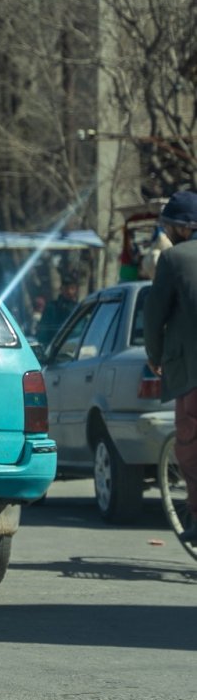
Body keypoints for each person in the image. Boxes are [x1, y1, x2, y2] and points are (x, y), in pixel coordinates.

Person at [144, 190, 197, 544]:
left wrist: (155, 355)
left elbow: (154, 313)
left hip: (192, 373)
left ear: (181, 228)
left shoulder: (175, 259)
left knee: (190, 446)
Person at [37, 280, 81, 346]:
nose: (69, 292)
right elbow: (43, 331)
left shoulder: (80, 308)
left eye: (72, 288)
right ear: (61, 289)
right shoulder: (51, 308)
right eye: (66, 288)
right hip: (55, 349)